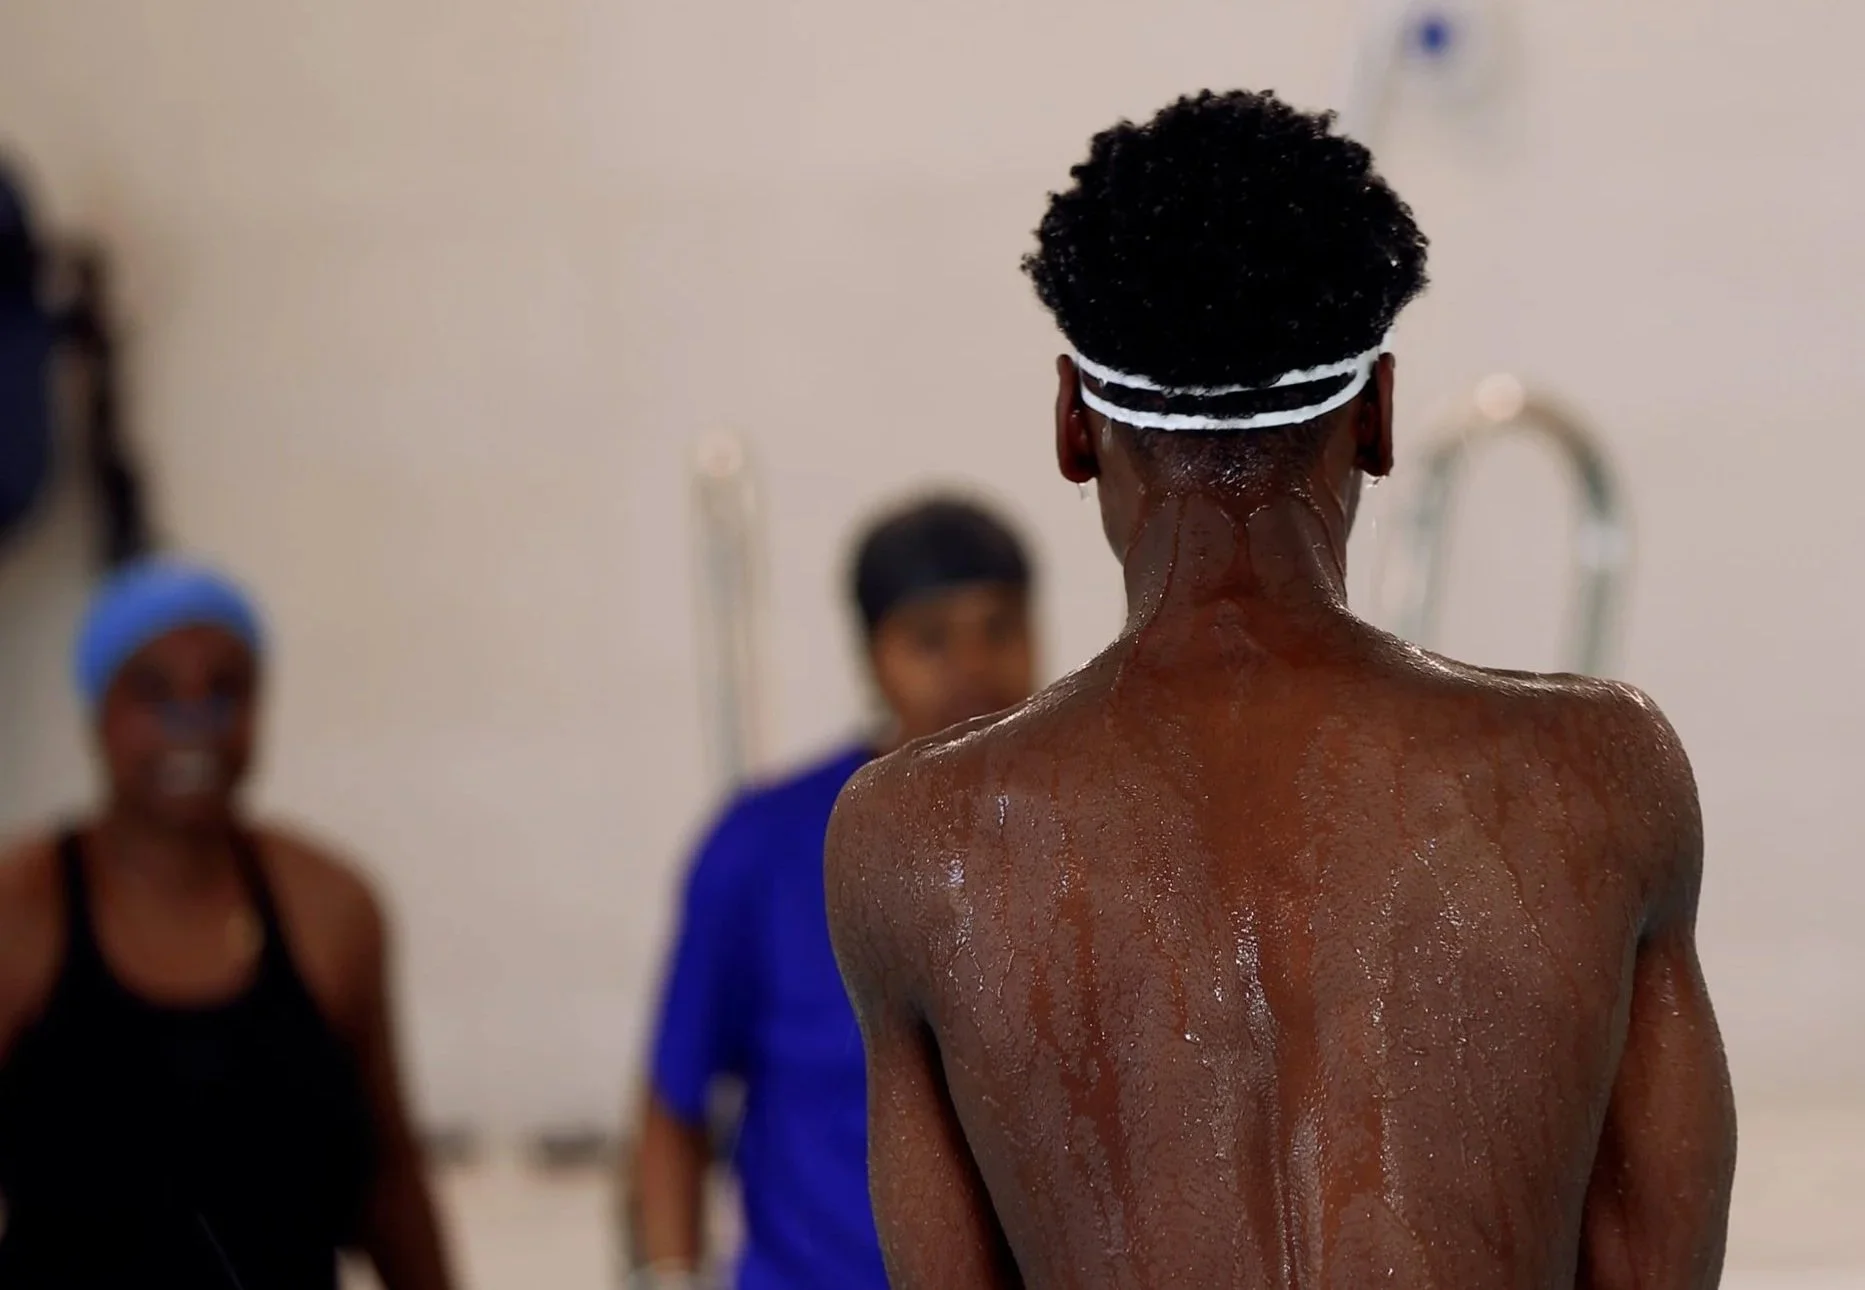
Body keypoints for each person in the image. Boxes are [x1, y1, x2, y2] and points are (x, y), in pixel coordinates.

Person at [826, 90, 1736, 1290]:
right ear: (1376, 415)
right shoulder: (1604, 777)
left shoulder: (911, 841)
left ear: (1069, 425)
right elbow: (1653, 1266)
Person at [0, 557, 455, 1290]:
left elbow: (390, 1177)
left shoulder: (331, 909)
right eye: (154, 691)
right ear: (99, 712)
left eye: (225, 690)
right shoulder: (23, 910)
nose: (194, 721)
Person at [631, 496, 1037, 1290]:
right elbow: (673, 1108)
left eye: (1000, 629)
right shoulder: (766, 845)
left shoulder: (1083, 837)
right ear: (871, 654)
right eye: (929, 640)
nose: (972, 667)